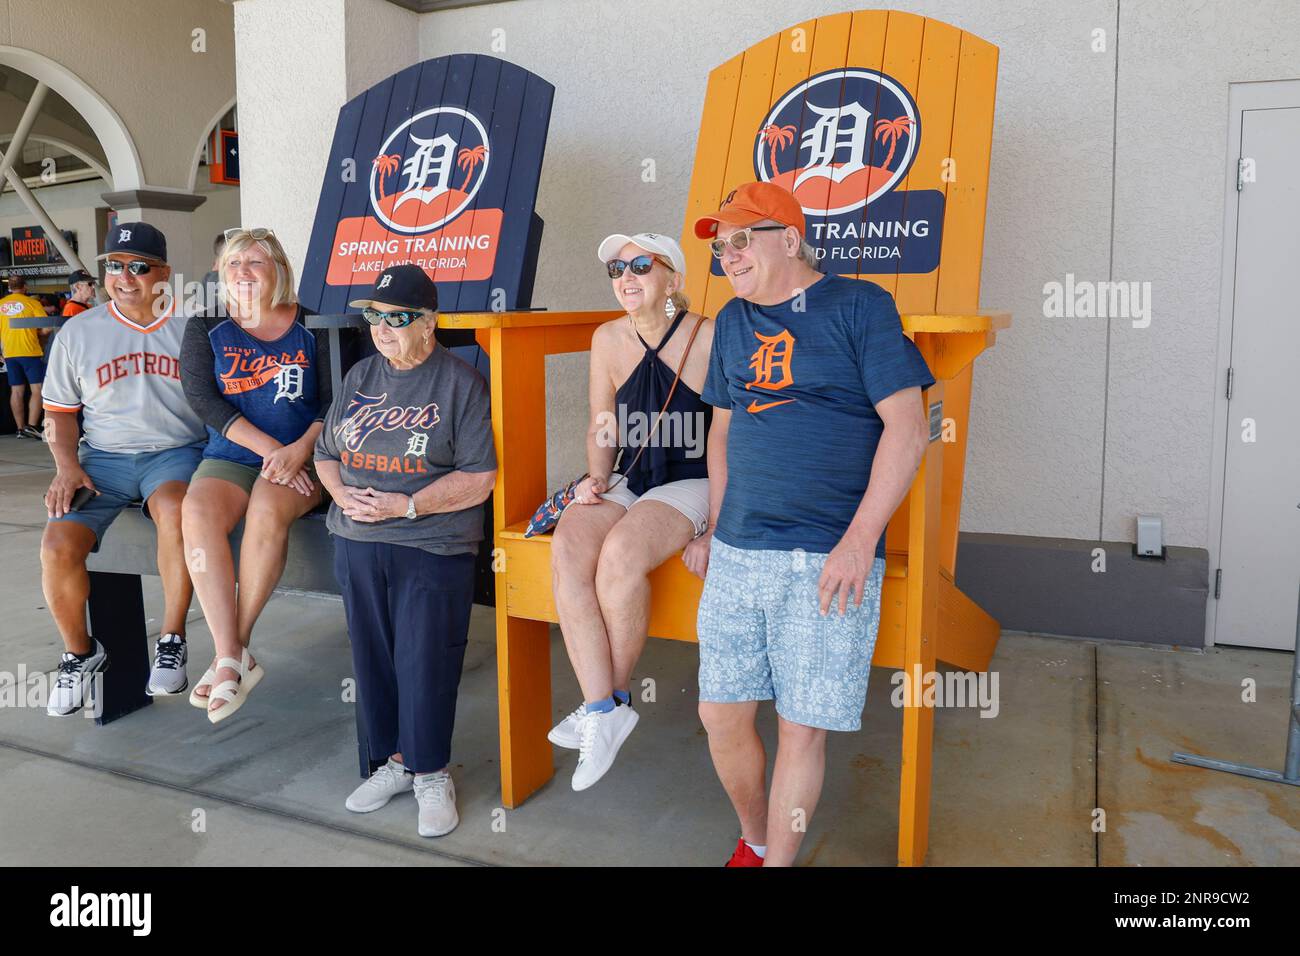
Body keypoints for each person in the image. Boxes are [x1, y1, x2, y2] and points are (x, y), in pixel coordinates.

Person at [690, 182, 935, 866]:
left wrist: (859, 544)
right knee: (721, 712)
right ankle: (756, 835)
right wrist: (713, 524)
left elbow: (908, 428)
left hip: (825, 557)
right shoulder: (733, 320)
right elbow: (722, 431)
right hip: (738, 548)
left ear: (789, 238)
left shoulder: (860, 305)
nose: (728, 256)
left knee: (802, 730)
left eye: (742, 240)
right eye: (719, 247)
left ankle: (778, 863)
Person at [314, 264, 496, 838]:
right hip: (358, 540)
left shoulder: (460, 382)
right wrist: (343, 495)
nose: (383, 329)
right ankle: (395, 762)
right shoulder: (361, 374)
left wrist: (405, 507)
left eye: (398, 318)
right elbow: (325, 453)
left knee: (426, 659)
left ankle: (431, 772)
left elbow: (480, 477)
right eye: (374, 316)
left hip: (432, 541)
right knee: (373, 660)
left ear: (430, 321)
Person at [548, 232, 714, 791]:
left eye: (641, 264)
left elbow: (736, 437)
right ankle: (605, 708)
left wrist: (720, 521)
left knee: (619, 556)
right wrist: (596, 476)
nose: (626, 276)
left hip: (694, 478)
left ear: (674, 278)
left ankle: (604, 707)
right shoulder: (607, 338)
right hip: (631, 476)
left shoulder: (708, 337)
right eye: (617, 269)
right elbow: (603, 421)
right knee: (569, 545)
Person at [40, 222, 207, 716]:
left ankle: (172, 639)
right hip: (102, 461)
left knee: (177, 511)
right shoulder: (79, 331)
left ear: (164, 274)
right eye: (114, 265)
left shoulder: (192, 324)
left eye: (139, 266)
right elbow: (60, 414)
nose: (125, 276)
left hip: (175, 451)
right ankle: (79, 653)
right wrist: (66, 467)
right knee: (56, 545)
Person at [179, 228, 332, 723]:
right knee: (197, 511)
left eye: (256, 261)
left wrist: (299, 450)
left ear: (279, 270)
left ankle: (232, 654)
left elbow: (335, 400)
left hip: (303, 456)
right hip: (236, 454)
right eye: (233, 263)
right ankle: (231, 653)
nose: (243, 271)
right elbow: (202, 398)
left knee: (268, 506)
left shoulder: (312, 323)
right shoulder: (206, 326)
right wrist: (270, 449)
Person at [0, 274, 49, 439]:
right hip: (30, 352)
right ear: (25, 287)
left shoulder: (0, 305)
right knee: (38, 389)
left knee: (16, 391)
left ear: (9, 288)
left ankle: (20, 429)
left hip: (10, 353)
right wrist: (39, 335)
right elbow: (46, 328)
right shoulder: (32, 303)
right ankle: (32, 426)